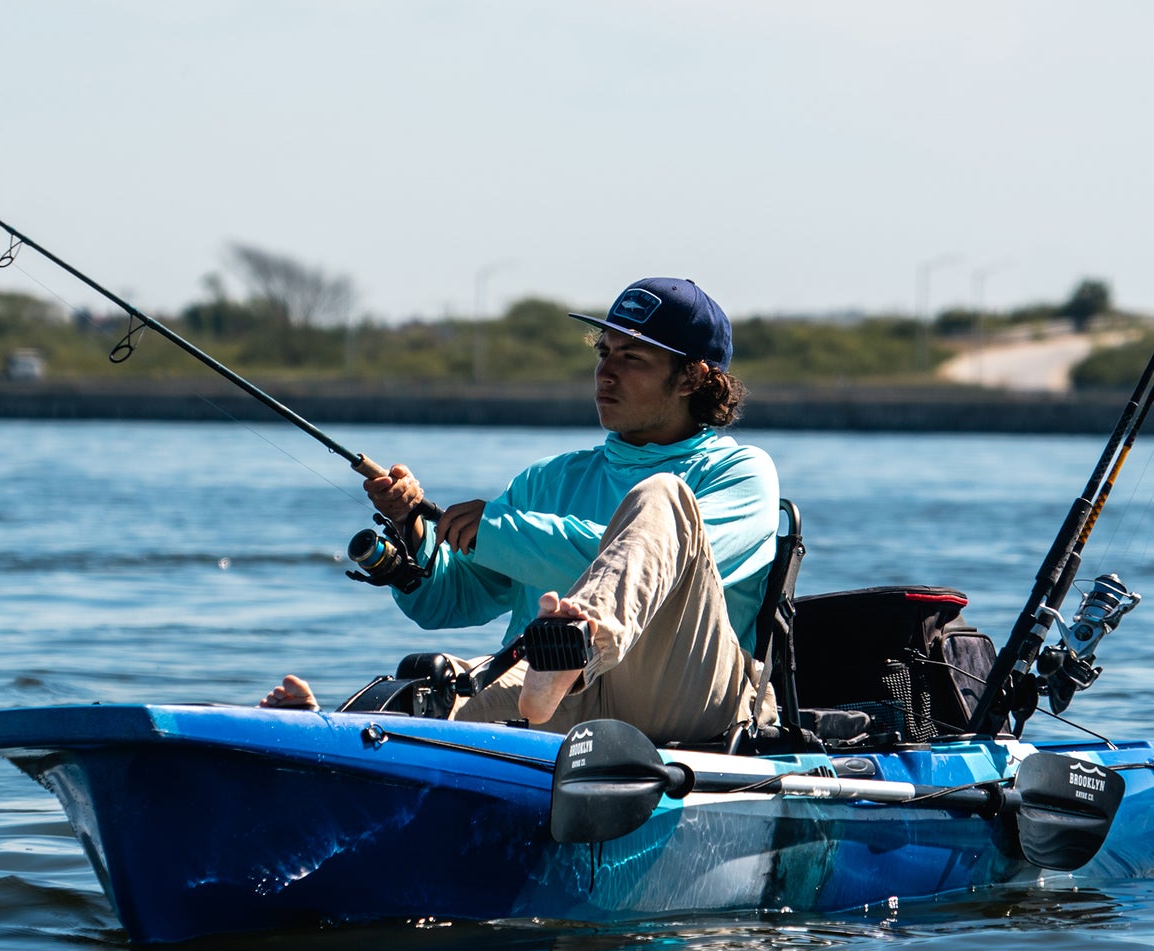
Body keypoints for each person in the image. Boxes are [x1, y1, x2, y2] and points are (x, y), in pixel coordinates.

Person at [263, 277, 779, 742]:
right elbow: (451, 601)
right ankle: (325, 740)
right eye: (605, 353)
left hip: (687, 705)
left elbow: (646, 564)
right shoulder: (549, 480)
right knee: (433, 688)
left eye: (632, 359)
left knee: (661, 498)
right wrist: (414, 532)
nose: (606, 373)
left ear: (692, 379)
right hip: (549, 696)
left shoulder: (742, 474)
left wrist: (499, 532)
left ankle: (576, 648)